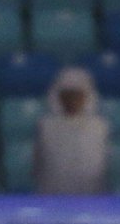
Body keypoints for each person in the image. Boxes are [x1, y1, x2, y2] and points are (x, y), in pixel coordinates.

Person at [36, 67, 111, 195]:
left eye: (77, 96)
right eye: (67, 96)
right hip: (53, 196)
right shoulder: (46, 126)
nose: (72, 101)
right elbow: (39, 165)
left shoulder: (100, 126)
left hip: (92, 197)